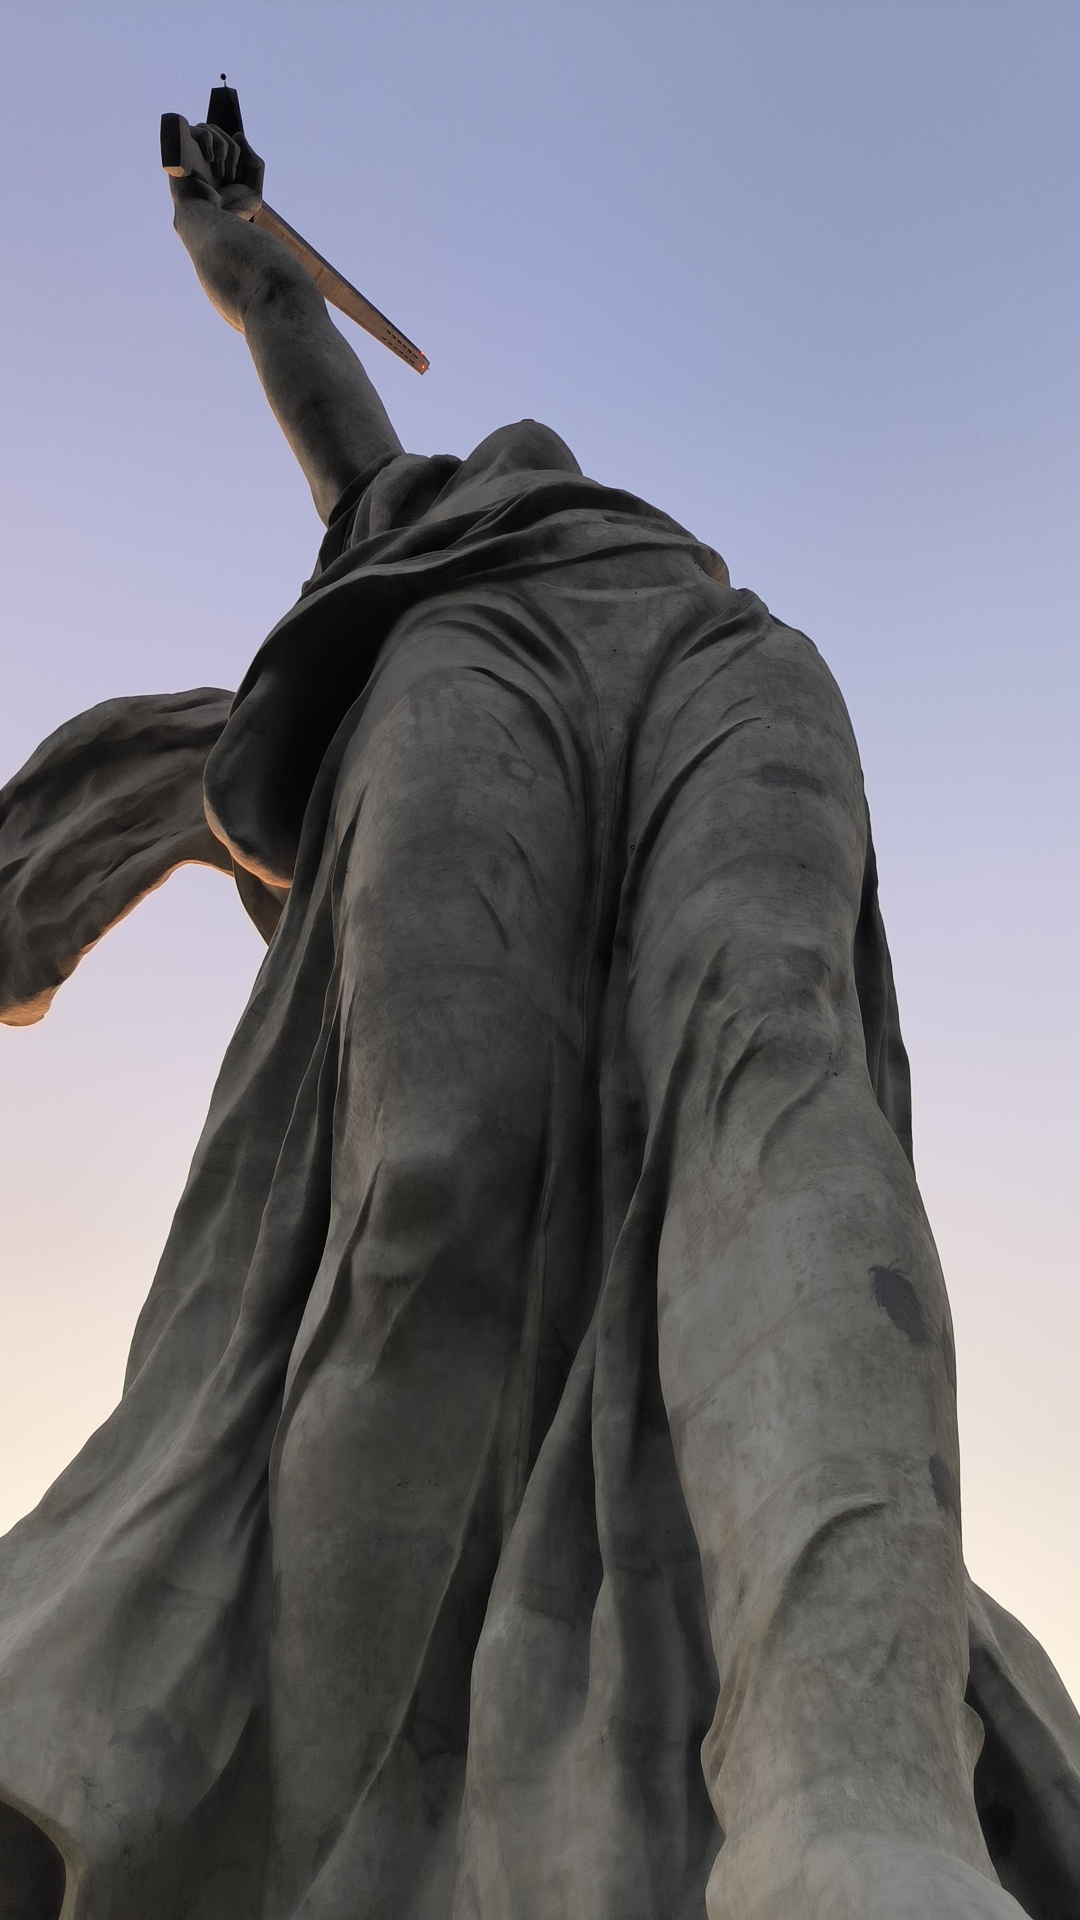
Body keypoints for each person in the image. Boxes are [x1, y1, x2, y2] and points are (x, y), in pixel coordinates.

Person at [0, 122, 1076, 1920]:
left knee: (783, 1063)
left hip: (729, 659)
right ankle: (319, 1846)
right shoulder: (419, 528)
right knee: (433, 1165)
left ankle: (855, 1786)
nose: (539, 440)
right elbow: (306, 356)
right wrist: (231, 230)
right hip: (472, 650)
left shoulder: (694, 582)